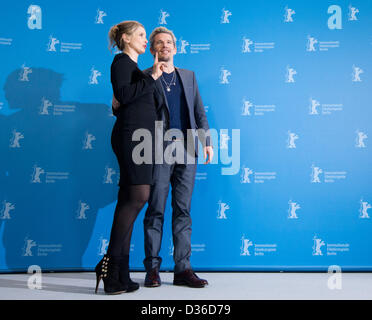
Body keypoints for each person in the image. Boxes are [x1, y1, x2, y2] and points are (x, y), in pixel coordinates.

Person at [95, 21, 166, 295]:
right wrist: (152, 78)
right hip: (131, 139)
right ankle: (110, 266)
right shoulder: (122, 62)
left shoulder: (135, 68)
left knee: (129, 199)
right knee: (138, 197)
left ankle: (119, 274)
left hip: (141, 140)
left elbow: (129, 102)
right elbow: (123, 96)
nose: (144, 39)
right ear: (125, 38)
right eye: (139, 35)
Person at [142, 27, 213, 288]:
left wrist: (206, 141)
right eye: (159, 43)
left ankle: (183, 269)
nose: (165, 46)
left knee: (183, 210)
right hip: (157, 149)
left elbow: (199, 112)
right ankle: (152, 270)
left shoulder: (189, 76)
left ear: (176, 47)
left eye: (169, 42)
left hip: (187, 149)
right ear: (152, 49)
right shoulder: (145, 77)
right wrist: (152, 75)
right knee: (156, 210)